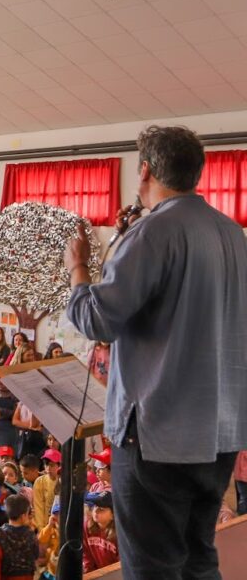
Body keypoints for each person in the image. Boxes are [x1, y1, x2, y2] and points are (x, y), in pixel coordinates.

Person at [65, 125, 247, 579]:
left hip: (157, 435)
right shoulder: (232, 234)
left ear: (144, 169)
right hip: (219, 433)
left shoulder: (152, 233)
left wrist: (78, 266)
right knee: (198, 558)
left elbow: (97, 320)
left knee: (152, 567)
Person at [0, 494, 38, 580]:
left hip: (5, 575)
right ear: (23, 516)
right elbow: (36, 553)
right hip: (26, 575)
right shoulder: (29, 533)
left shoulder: (0, 532)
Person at [82, 491, 119, 573]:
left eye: (101, 509)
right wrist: (90, 573)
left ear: (113, 515)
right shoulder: (86, 526)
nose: (96, 510)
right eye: (95, 506)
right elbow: (86, 555)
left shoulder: (120, 534)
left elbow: (121, 565)